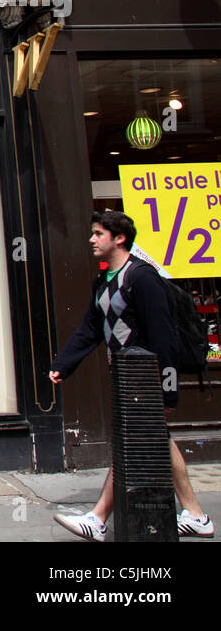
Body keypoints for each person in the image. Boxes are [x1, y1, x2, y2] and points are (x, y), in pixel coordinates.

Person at [49, 210, 213, 541]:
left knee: (130, 443)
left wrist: (167, 390)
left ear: (119, 238)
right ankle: (196, 515)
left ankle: (97, 518)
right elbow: (91, 328)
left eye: (98, 234)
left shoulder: (142, 278)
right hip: (125, 376)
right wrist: (64, 364)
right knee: (158, 442)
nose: (92, 240)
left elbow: (164, 337)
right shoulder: (104, 280)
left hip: (145, 377)